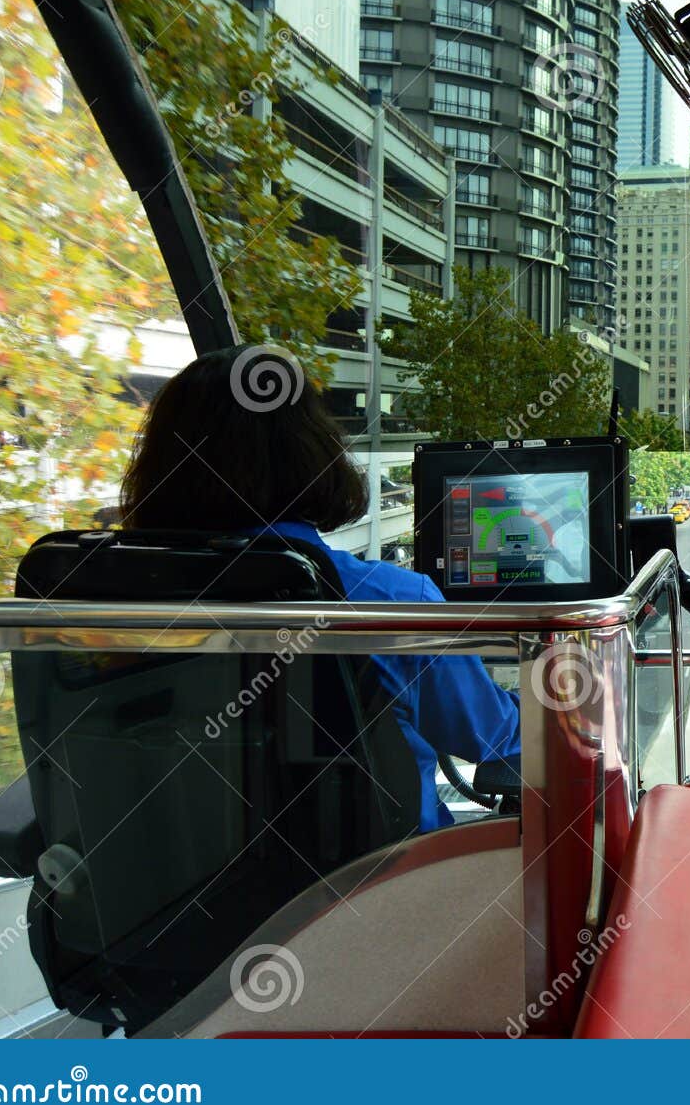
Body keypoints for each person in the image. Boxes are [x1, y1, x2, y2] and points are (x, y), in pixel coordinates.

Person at [119, 345, 519, 832]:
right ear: (310, 453)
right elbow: (492, 738)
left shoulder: (107, 604)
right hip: (377, 888)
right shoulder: (392, 604)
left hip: (174, 891)